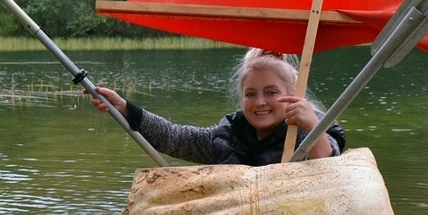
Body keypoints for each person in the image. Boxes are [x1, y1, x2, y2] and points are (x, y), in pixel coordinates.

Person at [88, 48, 346, 166]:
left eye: (271, 93)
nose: (260, 103)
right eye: (251, 94)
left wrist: (313, 125)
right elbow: (173, 137)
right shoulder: (226, 136)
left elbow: (330, 170)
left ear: (292, 95)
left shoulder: (307, 129)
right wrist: (124, 108)